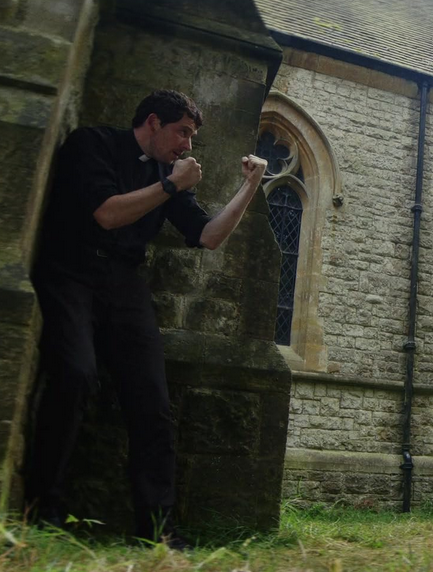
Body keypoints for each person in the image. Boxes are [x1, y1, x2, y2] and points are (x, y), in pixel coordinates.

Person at [26, 89, 268, 547]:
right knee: (75, 375)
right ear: (154, 122)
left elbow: (208, 236)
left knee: (153, 400)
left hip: (124, 284)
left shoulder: (166, 175)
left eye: (192, 137)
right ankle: (44, 509)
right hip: (70, 271)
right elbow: (106, 214)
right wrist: (172, 186)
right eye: (183, 132)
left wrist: (250, 186)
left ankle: (157, 531)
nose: (188, 146)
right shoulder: (92, 143)